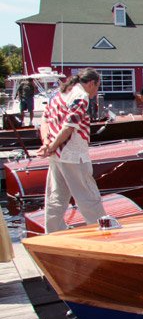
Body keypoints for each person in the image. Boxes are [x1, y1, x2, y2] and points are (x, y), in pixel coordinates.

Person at [37, 68, 106, 233]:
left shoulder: (57, 95)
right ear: (91, 83)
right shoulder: (80, 96)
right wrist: (52, 146)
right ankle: (104, 234)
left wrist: (47, 143)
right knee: (89, 197)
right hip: (74, 155)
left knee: (56, 198)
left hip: (57, 155)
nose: (96, 91)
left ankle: (52, 235)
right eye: (97, 87)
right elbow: (69, 127)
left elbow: (44, 120)